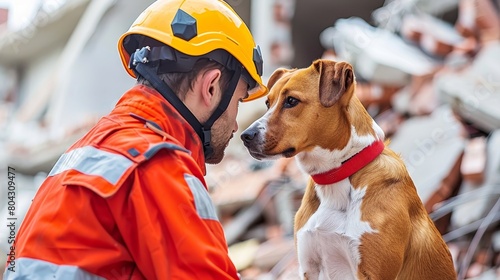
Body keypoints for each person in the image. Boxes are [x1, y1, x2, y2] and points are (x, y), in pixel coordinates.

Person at [4, 0, 267, 279]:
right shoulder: (156, 164)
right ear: (211, 87)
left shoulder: (87, 151)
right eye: (238, 102)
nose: (237, 123)